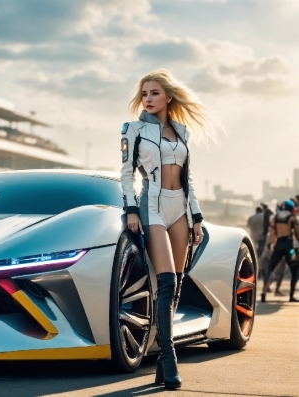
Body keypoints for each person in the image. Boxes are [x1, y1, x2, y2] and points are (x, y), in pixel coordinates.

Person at [121, 70, 218, 389]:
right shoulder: (132, 130)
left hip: (180, 209)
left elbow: (188, 178)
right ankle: (170, 355)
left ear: (168, 97)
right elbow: (125, 173)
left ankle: (163, 359)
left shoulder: (182, 132)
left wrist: (197, 216)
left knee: (176, 283)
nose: (147, 99)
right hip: (152, 205)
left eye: (154, 93)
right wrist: (131, 209)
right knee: (164, 283)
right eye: (144, 93)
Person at [260, 200, 299, 302]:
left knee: (270, 268)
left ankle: (263, 293)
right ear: (292, 208)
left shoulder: (275, 217)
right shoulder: (292, 218)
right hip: (289, 246)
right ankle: (291, 296)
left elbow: (273, 232)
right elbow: (297, 233)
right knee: (294, 270)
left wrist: (272, 245)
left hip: (278, 244)